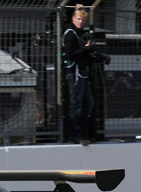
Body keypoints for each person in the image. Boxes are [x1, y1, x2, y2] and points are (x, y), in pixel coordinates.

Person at [62, 5, 94, 145]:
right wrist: (85, 50)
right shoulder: (70, 33)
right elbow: (70, 54)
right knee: (76, 104)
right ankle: (74, 134)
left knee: (89, 103)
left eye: (83, 20)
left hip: (82, 74)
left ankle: (82, 132)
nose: (81, 22)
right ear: (74, 18)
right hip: (74, 74)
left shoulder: (79, 33)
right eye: (79, 19)